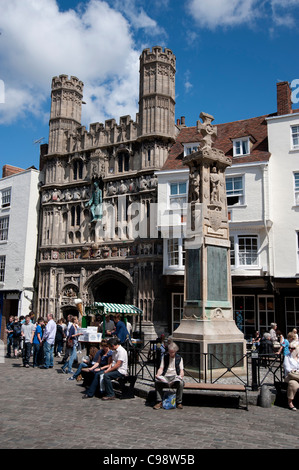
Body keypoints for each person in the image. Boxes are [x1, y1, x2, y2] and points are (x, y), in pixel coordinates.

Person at [153, 342, 184, 410]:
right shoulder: (165, 357)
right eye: (169, 352)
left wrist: (180, 376)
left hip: (174, 376)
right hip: (166, 376)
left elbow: (182, 370)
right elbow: (161, 368)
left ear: (175, 351)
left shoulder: (179, 358)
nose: (171, 354)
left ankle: (179, 402)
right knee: (157, 382)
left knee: (181, 383)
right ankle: (159, 401)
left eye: (172, 352)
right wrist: (158, 375)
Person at [283, 341, 299, 411]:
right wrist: (295, 371)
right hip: (290, 376)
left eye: (293, 348)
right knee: (293, 384)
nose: (290, 349)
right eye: (289, 348)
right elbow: (287, 368)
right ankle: (290, 402)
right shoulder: (287, 357)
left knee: (294, 383)